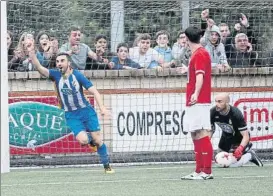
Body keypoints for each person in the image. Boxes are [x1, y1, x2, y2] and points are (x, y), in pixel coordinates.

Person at [26, 42, 115, 174]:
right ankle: (90, 142)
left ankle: (106, 165)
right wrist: (31, 53)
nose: (59, 64)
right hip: (71, 115)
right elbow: (39, 68)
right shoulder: (56, 76)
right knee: (84, 140)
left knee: (98, 140)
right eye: (57, 61)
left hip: (86, 111)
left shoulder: (77, 75)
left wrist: (102, 108)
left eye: (62, 61)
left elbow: (95, 91)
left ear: (69, 63)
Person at [180, 26, 213, 180]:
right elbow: (196, 74)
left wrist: (196, 94)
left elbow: (200, 76)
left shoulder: (200, 54)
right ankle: (199, 170)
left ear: (187, 39)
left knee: (201, 132)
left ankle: (207, 171)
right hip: (194, 100)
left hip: (198, 100)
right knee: (194, 133)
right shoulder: (197, 54)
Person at [210, 93, 263, 167]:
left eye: (220, 101)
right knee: (218, 160)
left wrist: (240, 148)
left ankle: (250, 155)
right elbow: (211, 130)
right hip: (226, 137)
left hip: (239, 139)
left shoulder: (235, 113)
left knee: (229, 164)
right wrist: (206, 144)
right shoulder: (212, 112)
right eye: (216, 101)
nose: (217, 104)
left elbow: (246, 135)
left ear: (227, 102)